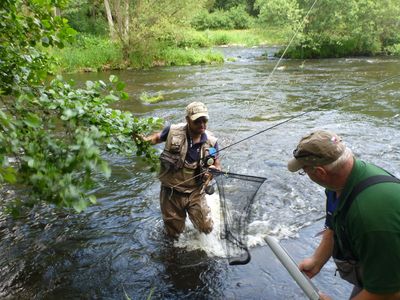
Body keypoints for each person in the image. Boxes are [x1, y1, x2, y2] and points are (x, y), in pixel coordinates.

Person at [287, 130, 400, 300]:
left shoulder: (369, 217)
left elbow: (388, 292)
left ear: (320, 172)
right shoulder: (340, 183)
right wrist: (317, 260)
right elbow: (333, 223)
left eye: (304, 170)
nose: (306, 174)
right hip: (381, 267)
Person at [141, 101, 221, 239]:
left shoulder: (212, 143)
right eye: (197, 121)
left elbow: (216, 164)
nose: (202, 125)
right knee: (174, 234)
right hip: (171, 192)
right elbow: (156, 138)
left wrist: (214, 170)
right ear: (188, 120)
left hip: (195, 191)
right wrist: (143, 141)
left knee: (206, 228)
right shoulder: (172, 131)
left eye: (204, 120)